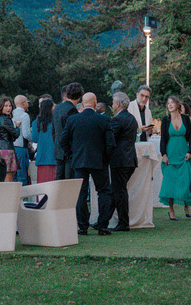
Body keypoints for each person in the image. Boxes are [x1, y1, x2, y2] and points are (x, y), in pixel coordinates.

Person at [60, 92, 116, 235]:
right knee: (104, 191)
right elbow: (110, 143)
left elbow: (63, 141)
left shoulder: (73, 120)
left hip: (79, 161)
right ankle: (103, 226)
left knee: (81, 193)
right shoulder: (104, 120)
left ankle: (83, 226)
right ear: (95, 104)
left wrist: (71, 156)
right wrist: (105, 159)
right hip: (99, 161)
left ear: (83, 104)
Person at [159, 96, 191, 220]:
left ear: (177, 105)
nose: (169, 105)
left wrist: (190, 151)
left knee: (185, 181)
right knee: (170, 182)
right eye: (168, 103)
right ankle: (171, 210)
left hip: (183, 154)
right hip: (170, 154)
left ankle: (186, 206)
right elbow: (163, 139)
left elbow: (190, 137)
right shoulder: (165, 120)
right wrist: (164, 154)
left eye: (172, 103)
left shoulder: (185, 119)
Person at [109, 91, 138, 231]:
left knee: (119, 192)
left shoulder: (117, 120)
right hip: (130, 159)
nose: (112, 105)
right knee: (116, 190)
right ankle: (104, 219)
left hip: (120, 160)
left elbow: (111, 139)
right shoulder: (132, 118)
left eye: (113, 102)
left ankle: (123, 223)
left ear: (118, 104)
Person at [52, 83, 82, 180]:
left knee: (59, 180)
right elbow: (74, 133)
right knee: (69, 181)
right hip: (69, 152)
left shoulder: (57, 108)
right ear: (79, 97)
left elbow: (53, 130)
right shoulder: (72, 110)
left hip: (58, 150)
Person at [0, 97, 21, 182]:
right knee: (8, 178)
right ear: (1, 107)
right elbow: (15, 134)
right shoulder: (5, 120)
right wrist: (17, 126)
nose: (8, 108)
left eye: (10, 106)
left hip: (0, 149)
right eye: (6, 106)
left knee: (4, 177)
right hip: (7, 150)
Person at [32, 97, 57, 183]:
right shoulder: (56, 122)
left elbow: (34, 139)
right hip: (54, 156)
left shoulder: (36, 123)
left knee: (43, 184)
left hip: (42, 157)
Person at [12, 95, 33, 185]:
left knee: (13, 175)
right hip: (21, 147)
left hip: (12, 147)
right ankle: (23, 192)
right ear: (24, 103)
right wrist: (33, 138)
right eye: (27, 102)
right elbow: (26, 134)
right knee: (22, 174)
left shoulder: (11, 114)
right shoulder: (24, 115)